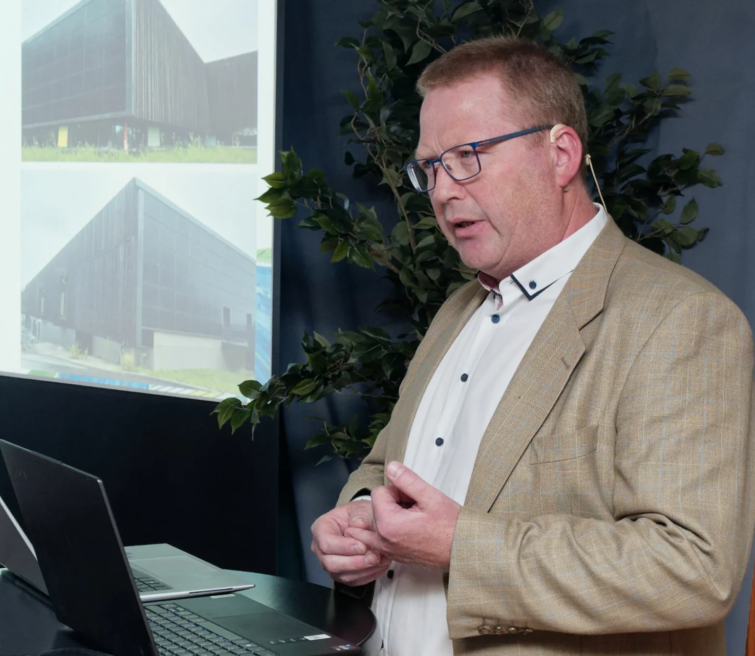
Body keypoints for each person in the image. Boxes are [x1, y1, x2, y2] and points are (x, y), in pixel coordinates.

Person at [310, 36, 755, 655]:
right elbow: (392, 468)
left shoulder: (681, 320)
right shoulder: (459, 309)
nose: (441, 191)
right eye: (429, 167)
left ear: (561, 154)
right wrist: (358, 517)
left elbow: (692, 569)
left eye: (467, 156)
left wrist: (458, 546)